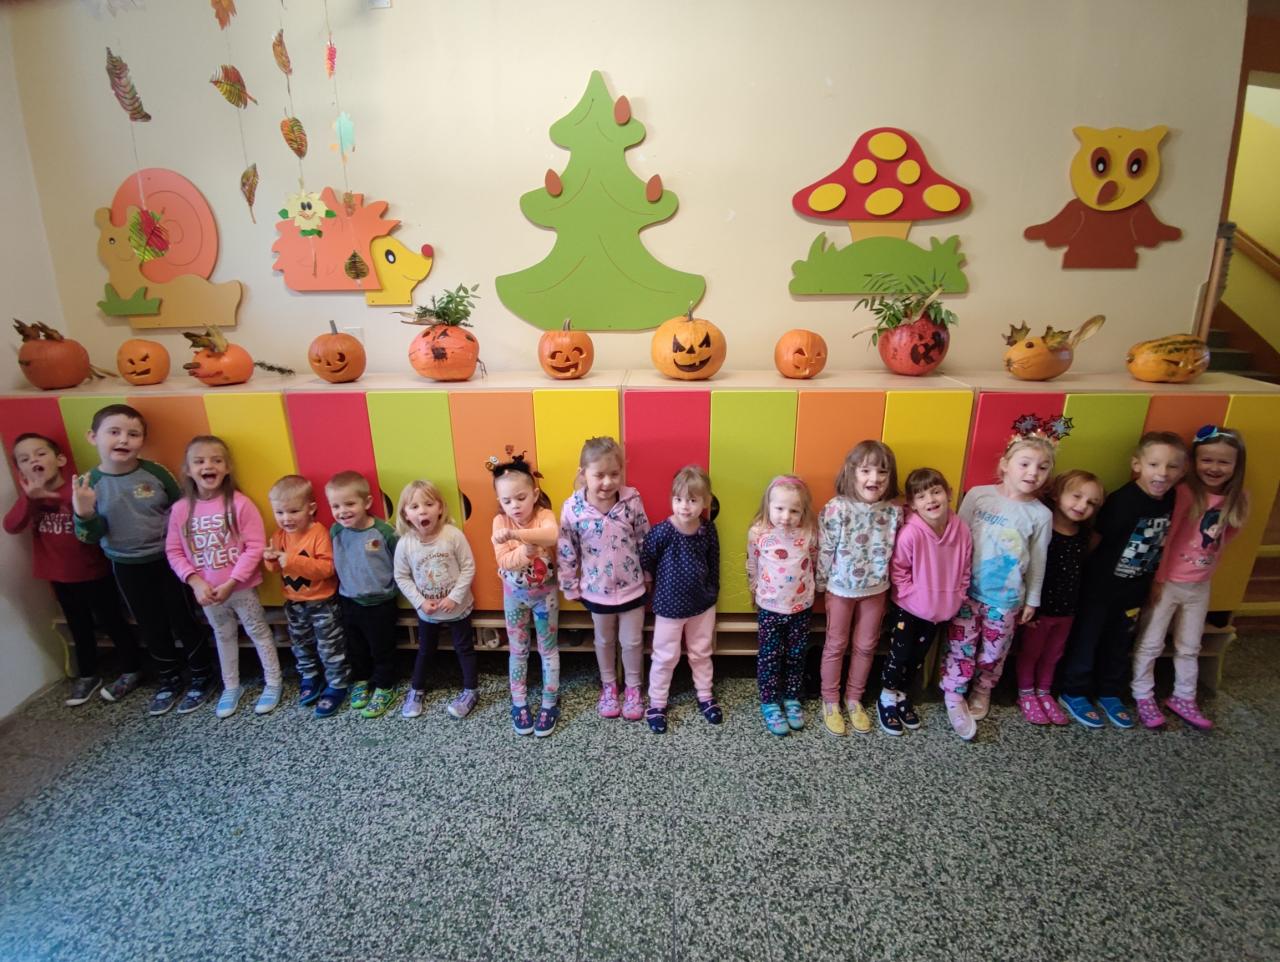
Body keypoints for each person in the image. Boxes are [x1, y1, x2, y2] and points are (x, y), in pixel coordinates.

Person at [72, 404, 215, 715]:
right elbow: (89, 536)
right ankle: (169, 679)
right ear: (92, 437)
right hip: (126, 565)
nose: (124, 439)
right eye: (114, 432)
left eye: (133, 434)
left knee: (183, 618)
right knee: (150, 624)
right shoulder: (88, 483)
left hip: (168, 560)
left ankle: (202, 675)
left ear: (142, 441)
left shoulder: (155, 473)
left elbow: (182, 510)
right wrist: (83, 513)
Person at [1057, 431, 1188, 730]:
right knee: (1087, 640)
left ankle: (1109, 692)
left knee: (1119, 643)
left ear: (1182, 472)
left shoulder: (1172, 499)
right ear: (1137, 464)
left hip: (1134, 590)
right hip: (1100, 590)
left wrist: (1152, 583)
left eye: (1172, 467)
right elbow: (1095, 541)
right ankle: (1074, 691)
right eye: (1154, 464)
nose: (1162, 473)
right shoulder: (1122, 501)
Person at [4, 433, 137, 706]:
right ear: (20, 471)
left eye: (40, 453)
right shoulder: (29, 499)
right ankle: (88, 674)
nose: (33, 461)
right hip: (59, 577)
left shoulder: (78, 490)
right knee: (79, 626)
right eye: (24, 460)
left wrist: (59, 500)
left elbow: (94, 525)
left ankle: (132, 668)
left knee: (112, 621)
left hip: (94, 573)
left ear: (60, 459)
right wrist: (30, 499)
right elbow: (11, 525)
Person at [1131, 425, 1248, 730]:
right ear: (1193, 462)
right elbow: (1167, 539)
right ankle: (1142, 693)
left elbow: (1227, 536)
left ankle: (1184, 696)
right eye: (1207, 459)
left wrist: (1205, 568)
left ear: (1236, 465)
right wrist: (1158, 580)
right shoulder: (1184, 494)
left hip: (1200, 584)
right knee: (1151, 641)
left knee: (1189, 645)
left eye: (1224, 462)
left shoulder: (1237, 499)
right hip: (1168, 582)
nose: (1214, 467)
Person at [942, 432, 1054, 741]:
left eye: (1042, 467)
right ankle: (954, 691)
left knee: (994, 650)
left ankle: (982, 689)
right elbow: (957, 541)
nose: (1033, 473)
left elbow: (1039, 561)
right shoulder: (979, 496)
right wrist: (951, 584)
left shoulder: (1041, 515)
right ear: (1005, 465)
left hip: (1006, 600)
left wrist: (1032, 600)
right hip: (967, 591)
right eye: (1025, 464)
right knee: (960, 645)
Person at [164, 436, 283, 718]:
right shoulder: (181, 510)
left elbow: (255, 546)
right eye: (200, 461)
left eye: (216, 460)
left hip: (240, 588)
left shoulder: (240, 504)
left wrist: (233, 581)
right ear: (188, 470)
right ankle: (231, 686)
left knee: (258, 631)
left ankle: (274, 682)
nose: (208, 466)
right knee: (223, 635)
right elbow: (174, 550)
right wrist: (195, 582)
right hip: (207, 592)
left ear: (227, 467)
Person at [557, 436, 650, 721]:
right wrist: (569, 584)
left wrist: (648, 575)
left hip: (633, 588)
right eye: (599, 475)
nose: (608, 482)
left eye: (614, 474)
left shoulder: (631, 500)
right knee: (604, 640)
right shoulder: (573, 508)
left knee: (632, 642)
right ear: (583, 473)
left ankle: (633, 688)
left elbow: (644, 539)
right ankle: (609, 686)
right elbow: (566, 548)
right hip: (596, 591)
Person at [877, 467, 972, 736]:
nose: (930, 500)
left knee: (917, 657)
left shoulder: (961, 530)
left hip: (940, 611)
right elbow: (899, 570)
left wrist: (959, 594)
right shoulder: (911, 533)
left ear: (948, 493)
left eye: (935, 492)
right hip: (908, 610)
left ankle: (903, 695)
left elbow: (965, 567)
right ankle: (886, 696)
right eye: (921, 496)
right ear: (912, 504)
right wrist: (913, 597)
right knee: (899, 655)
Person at [817, 440, 901, 737]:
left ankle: (854, 699)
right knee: (836, 644)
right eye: (866, 470)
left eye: (882, 472)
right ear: (851, 472)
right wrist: (820, 582)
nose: (874, 478)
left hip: (876, 590)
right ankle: (830, 701)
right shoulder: (836, 508)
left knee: (866, 646)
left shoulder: (894, 511)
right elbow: (826, 549)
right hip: (841, 589)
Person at [1013, 470, 1103, 726]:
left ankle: (1044, 691)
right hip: (1039, 610)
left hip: (1067, 610)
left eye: (1091, 502)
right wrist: (1029, 604)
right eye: (1076, 496)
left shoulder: (1085, 535)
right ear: (1056, 494)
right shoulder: (1042, 528)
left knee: (1053, 654)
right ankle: (1025, 692)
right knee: (1031, 652)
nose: (1082, 505)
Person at [641, 465, 720, 734]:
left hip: (702, 605)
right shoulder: (662, 531)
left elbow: (713, 562)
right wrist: (649, 581)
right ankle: (657, 702)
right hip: (668, 606)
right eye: (678, 499)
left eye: (692, 500)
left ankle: (705, 695)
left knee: (701, 652)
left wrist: (712, 592)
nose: (684, 506)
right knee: (665, 656)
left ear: (705, 502)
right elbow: (647, 558)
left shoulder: (707, 530)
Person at [264, 474, 350, 718]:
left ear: (310, 508)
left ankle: (337, 683)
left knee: (330, 645)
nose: (286, 518)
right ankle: (310, 677)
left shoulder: (318, 533)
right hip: (294, 603)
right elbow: (276, 569)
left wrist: (291, 561)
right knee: (301, 644)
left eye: (293, 511)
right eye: (280, 512)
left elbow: (327, 568)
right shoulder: (279, 536)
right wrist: (271, 560)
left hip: (322, 603)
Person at [490, 452, 561, 736]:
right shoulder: (500, 522)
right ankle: (518, 701)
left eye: (520, 498)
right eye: (507, 501)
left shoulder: (544, 515)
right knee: (518, 651)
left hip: (546, 597)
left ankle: (550, 702)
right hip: (514, 596)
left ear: (535, 494)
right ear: (500, 502)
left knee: (548, 650)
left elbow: (552, 535)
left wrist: (518, 537)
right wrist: (526, 551)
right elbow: (504, 561)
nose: (515, 506)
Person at [394, 480, 478, 723]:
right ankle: (416, 689)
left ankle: (471, 690)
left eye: (429, 504)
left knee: (464, 648)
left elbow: (468, 567)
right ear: (405, 514)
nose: (422, 511)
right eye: (414, 507)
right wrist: (420, 602)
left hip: (458, 608)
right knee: (425, 650)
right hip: (427, 611)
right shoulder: (405, 543)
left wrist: (454, 597)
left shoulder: (452, 535)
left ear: (440, 508)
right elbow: (401, 576)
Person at [746, 475, 818, 737]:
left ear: (803, 511)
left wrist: (815, 588)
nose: (786, 517)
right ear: (768, 505)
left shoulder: (808, 533)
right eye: (779, 508)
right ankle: (769, 701)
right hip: (769, 606)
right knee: (769, 656)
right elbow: (752, 562)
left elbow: (813, 560)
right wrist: (753, 588)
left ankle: (791, 697)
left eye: (794, 511)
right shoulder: (758, 533)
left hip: (801, 606)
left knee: (796, 655)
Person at [327, 471, 400, 719]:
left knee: (382, 647)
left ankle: (385, 685)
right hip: (349, 600)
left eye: (350, 504)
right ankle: (361, 679)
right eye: (336, 506)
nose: (342, 511)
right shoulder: (336, 532)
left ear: (367, 502)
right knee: (355, 646)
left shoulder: (384, 532)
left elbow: (400, 562)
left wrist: (393, 589)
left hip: (380, 602)